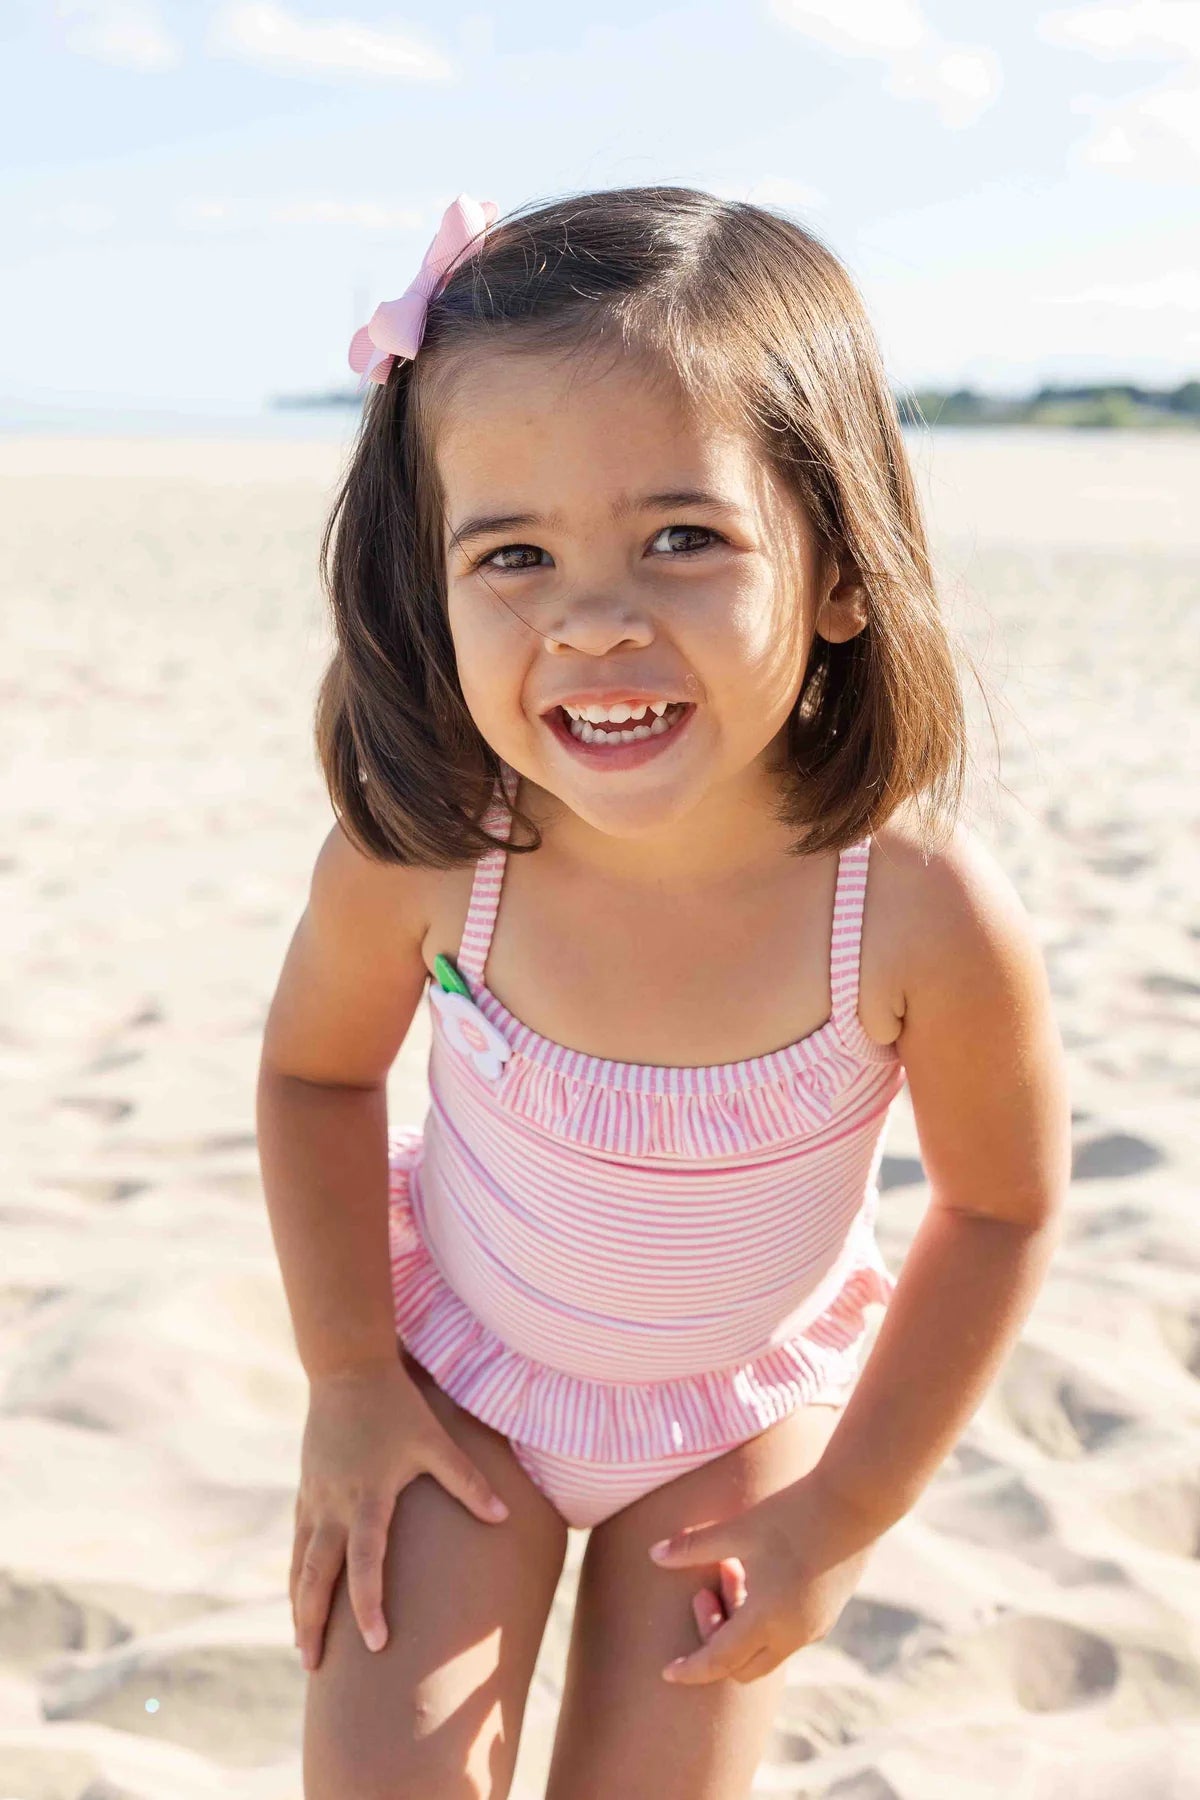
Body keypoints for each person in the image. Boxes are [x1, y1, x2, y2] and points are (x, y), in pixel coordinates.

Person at [255, 186, 1071, 1799]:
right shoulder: (432, 857)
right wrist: (348, 1378)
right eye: (513, 552)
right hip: (456, 1385)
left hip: (731, 1431)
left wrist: (844, 1514)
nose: (593, 617)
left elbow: (1001, 1208)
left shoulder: (907, 912)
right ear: (433, 588)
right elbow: (313, 1079)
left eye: (683, 538)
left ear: (842, 569)